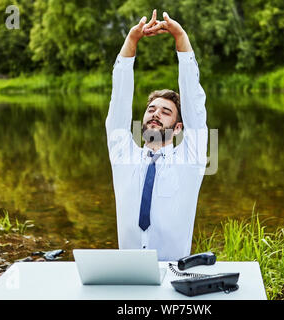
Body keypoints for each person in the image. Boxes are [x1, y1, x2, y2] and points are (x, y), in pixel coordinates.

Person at [105, 9, 208, 261]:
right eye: (151, 109)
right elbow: (118, 101)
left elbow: (194, 103)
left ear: (178, 127)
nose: (155, 114)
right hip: (127, 274)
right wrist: (131, 42)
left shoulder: (190, 160)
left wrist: (181, 39)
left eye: (165, 112)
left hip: (174, 273)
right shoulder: (122, 155)